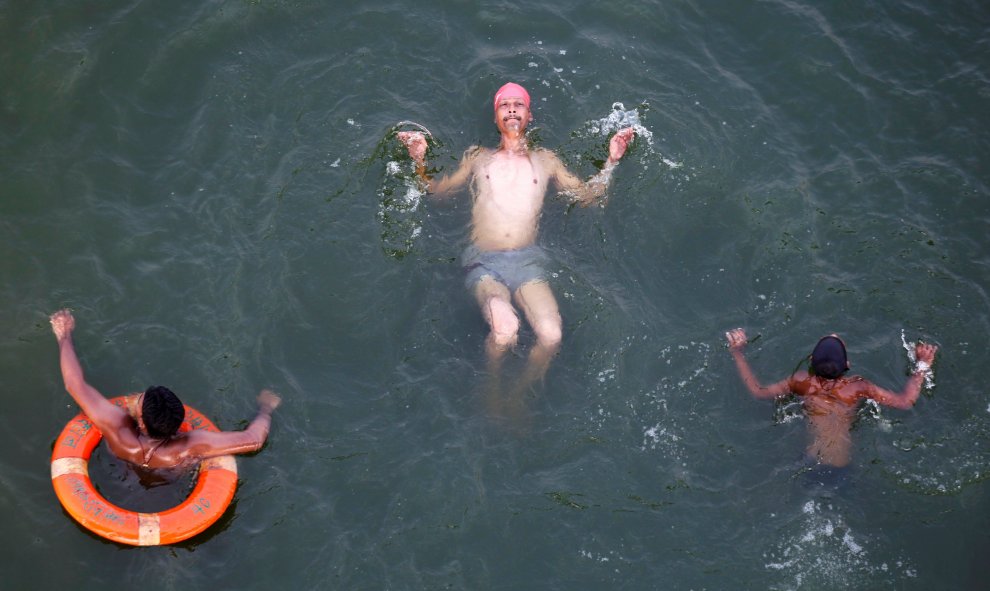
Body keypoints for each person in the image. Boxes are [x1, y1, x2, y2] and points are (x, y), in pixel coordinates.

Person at [397, 82, 636, 388]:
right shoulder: (478, 157)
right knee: (505, 330)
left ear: (529, 115)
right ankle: (493, 392)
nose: (511, 108)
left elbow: (587, 197)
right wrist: (419, 160)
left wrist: (612, 162)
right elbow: (438, 192)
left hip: (527, 262)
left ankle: (520, 394)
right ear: (496, 118)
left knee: (551, 335)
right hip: (484, 261)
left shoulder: (546, 160)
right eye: (503, 104)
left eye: (518, 104)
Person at [50, 309, 281, 469]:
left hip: (118, 474)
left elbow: (74, 384)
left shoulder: (118, 429)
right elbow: (253, 440)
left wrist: (64, 336)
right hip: (168, 485)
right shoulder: (190, 445)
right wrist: (266, 408)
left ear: (140, 421)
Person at [724, 328, 938, 468]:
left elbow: (757, 391)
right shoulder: (857, 386)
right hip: (840, 465)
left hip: (808, 461)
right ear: (847, 365)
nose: (834, 334)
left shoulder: (801, 382)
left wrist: (738, 353)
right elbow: (905, 402)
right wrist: (922, 366)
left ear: (810, 361)